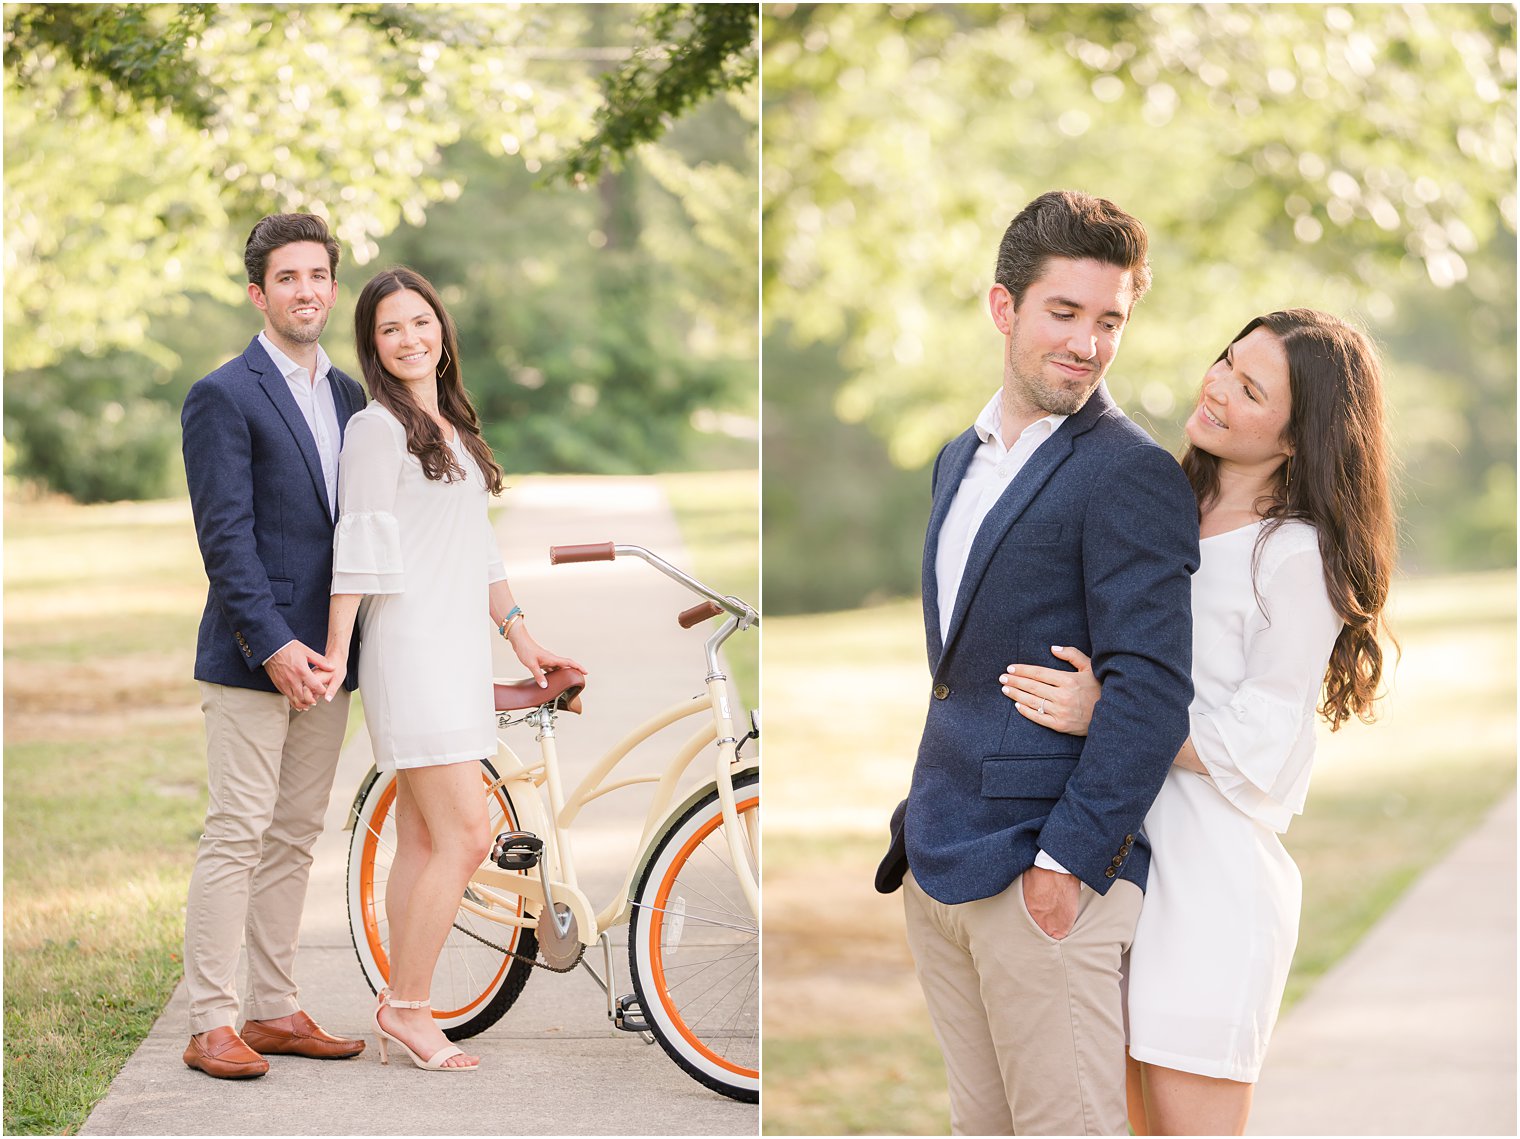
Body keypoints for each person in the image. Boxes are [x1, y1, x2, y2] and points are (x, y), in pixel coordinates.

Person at [998, 309, 1396, 1135]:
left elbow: (1265, 737)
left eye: (1250, 390)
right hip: (1110, 858)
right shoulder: (1159, 501)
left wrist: (1111, 716)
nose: (1216, 384)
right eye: (1226, 360)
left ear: (1298, 439)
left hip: (1210, 888)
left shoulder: (1294, 557)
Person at [873, 190, 1200, 1135]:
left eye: (1111, 322)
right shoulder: (956, 459)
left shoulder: (1129, 472)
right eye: (1065, 313)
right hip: (940, 860)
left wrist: (1064, 865)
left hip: (1044, 881)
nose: (1089, 345)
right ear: (1003, 307)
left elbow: (1152, 691)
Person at [320, 266, 583, 1072]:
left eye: (419, 321)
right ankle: (407, 1008)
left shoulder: (449, 425)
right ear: (371, 345)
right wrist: (335, 653)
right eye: (389, 329)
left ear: (441, 327)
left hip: (456, 650)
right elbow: (358, 543)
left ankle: (403, 1000)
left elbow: (477, 551)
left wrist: (521, 636)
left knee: (424, 837)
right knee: (469, 834)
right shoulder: (377, 428)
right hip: (412, 650)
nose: (409, 338)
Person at [180, 213, 369, 1079]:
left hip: (331, 661)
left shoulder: (350, 397)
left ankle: (273, 1007)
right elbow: (226, 539)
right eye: (288, 277)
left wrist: (332, 645)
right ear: (259, 293)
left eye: (319, 275)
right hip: (256, 656)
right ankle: (211, 1020)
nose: (306, 291)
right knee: (238, 831)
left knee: (294, 835)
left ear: (334, 285)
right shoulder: (223, 393)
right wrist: (275, 647)